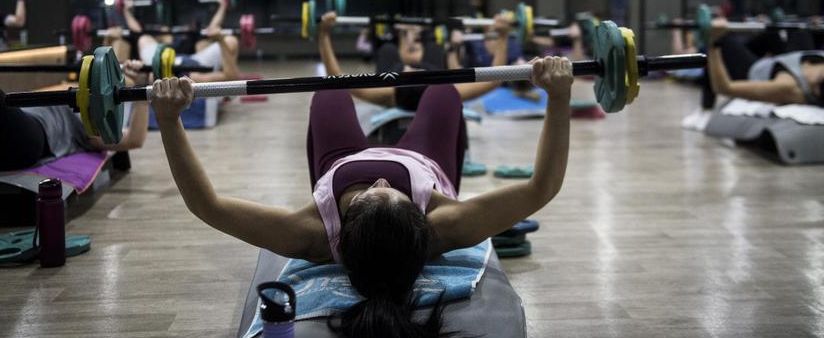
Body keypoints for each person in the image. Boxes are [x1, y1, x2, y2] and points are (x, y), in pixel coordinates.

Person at [150, 56, 572, 337]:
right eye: (394, 195)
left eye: (371, 195)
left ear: (341, 226)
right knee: (442, 90)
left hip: (340, 159)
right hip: (426, 158)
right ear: (423, 219)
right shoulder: (446, 227)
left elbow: (207, 205)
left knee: (330, 88)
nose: (382, 185)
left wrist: (169, 119)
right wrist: (558, 95)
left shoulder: (310, 234)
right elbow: (543, 187)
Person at [0, 61, 151, 253]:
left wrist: (139, 90)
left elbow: (134, 139)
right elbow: (103, 61)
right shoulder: (69, 82)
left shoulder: (93, 114)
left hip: (31, 139)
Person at [317, 11, 513, 110]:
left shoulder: (387, 93)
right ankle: (409, 34)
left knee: (388, 49)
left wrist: (324, 35)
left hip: (395, 77)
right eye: (413, 70)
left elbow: (337, 77)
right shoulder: (444, 90)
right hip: (431, 79)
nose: (411, 66)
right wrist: (503, 37)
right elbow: (495, 79)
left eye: (409, 71)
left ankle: (406, 34)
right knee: (435, 48)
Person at [108, 0, 241, 82]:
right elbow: (138, 32)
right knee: (143, 38)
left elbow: (214, 30)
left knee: (231, 40)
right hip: (160, 59)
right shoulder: (157, 42)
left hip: (191, 62)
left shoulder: (190, 36)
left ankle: (225, 92)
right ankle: (159, 78)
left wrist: (223, 5)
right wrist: (125, 10)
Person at [706, 18, 824, 107]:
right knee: (800, 30)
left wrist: (715, 41)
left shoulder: (789, 88)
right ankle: (777, 20)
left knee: (725, 41)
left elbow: (724, 88)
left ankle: (705, 106)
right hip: (792, 59)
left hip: (755, 70)